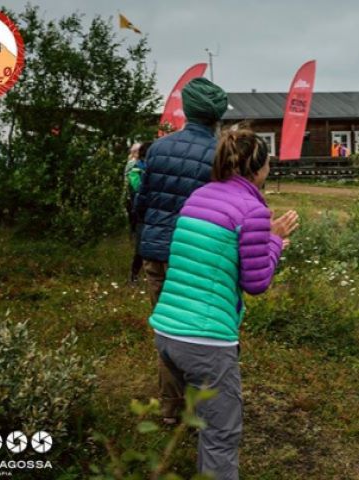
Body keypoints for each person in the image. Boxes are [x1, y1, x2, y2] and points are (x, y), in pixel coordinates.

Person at [150, 127, 299, 480]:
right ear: (259, 168)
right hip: (206, 340)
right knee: (222, 433)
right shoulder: (252, 209)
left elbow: (215, 254)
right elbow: (256, 282)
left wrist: (266, 235)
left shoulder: (198, 196)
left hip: (168, 332)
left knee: (207, 422)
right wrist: (275, 242)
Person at [136, 77, 228, 424]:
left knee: (167, 330)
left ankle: (170, 409)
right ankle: (200, 405)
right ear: (216, 116)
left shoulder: (158, 149)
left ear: (187, 110)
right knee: (199, 329)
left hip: (157, 252)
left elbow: (142, 203)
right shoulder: (220, 153)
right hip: (200, 256)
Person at [125, 141, 150, 283]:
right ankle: (134, 275)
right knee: (140, 246)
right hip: (141, 212)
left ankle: (139, 274)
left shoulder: (147, 169)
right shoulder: (136, 170)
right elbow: (137, 189)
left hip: (146, 211)